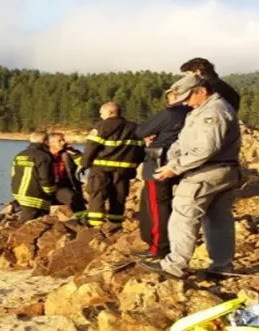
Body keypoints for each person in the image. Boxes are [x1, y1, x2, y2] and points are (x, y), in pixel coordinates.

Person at [145, 75, 242, 281]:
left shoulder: (214, 112)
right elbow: (183, 142)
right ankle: (221, 267)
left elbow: (207, 148)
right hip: (220, 170)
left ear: (202, 91)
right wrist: (171, 160)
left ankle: (175, 265)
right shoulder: (200, 111)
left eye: (187, 97)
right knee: (218, 219)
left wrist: (176, 168)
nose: (185, 102)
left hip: (207, 172)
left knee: (183, 214)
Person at [134, 86, 191, 259]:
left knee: (157, 207)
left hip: (160, 164)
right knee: (168, 205)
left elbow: (141, 131)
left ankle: (159, 247)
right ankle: (166, 242)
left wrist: (151, 135)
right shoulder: (193, 113)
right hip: (183, 163)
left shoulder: (169, 113)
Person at [78, 101, 144, 226]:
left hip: (101, 168)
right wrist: (134, 165)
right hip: (124, 170)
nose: (101, 116)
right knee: (119, 195)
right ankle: (115, 224)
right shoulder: (134, 127)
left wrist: (83, 164)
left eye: (101, 113)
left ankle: (95, 225)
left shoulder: (102, 126)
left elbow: (91, 146)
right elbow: (140, 149)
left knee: (97, 193)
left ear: (110, 112)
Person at [10, 132, 56, 222]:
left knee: (26, 221)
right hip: (34, 196)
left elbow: (13, 174)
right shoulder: (43, 156)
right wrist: (51, 192)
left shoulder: (19, 155)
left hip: (18, 193)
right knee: (31, 224)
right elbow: (46, 179)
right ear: (46, 142)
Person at [47, 132, 85, 214]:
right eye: (60, 141)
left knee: (75, 200)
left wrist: (75, 154)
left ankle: (83, 221)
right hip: (46, 187)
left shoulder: (68, 153)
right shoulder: (43, 155)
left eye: (63, 140)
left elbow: (84, 163)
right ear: (50, 143)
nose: (63, 143)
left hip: (62, 186)